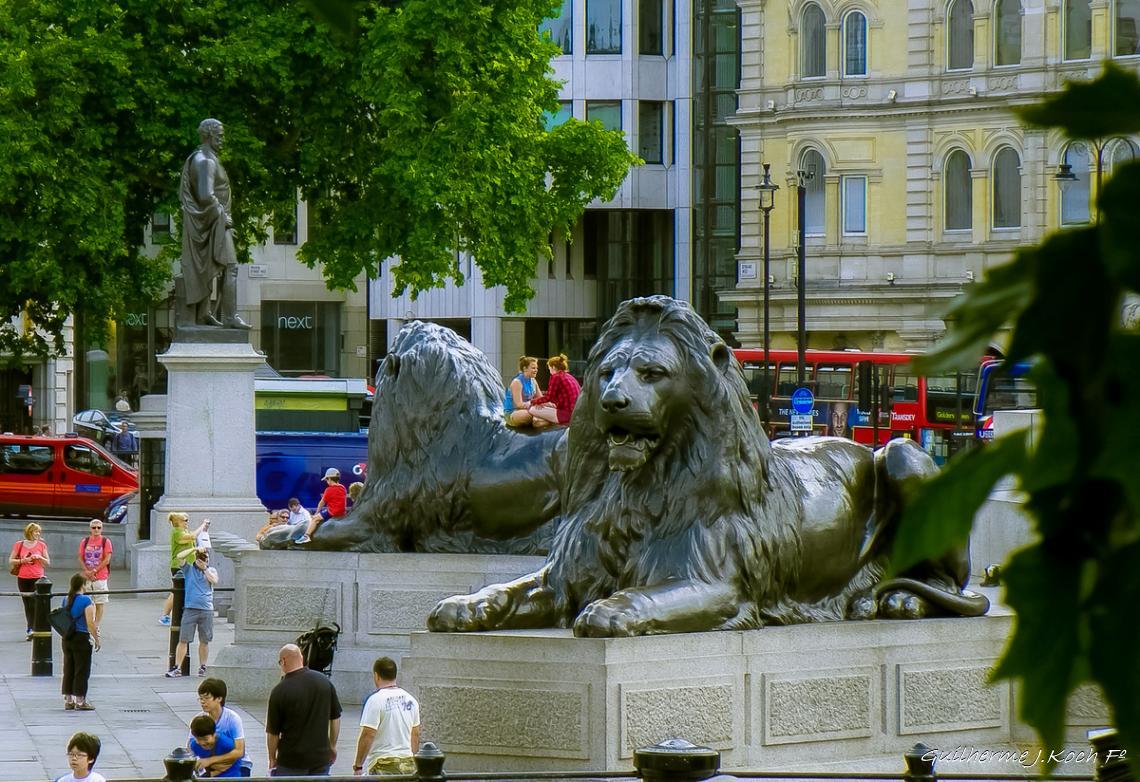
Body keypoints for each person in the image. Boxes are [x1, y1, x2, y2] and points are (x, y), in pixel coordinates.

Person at [180, 118, 250, 329]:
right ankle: (230, 317)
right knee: (231, 267)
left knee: (211, 268)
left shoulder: (202, 159)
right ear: (209, 136)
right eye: (219, 136)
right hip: (213, 221)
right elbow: (205, 195)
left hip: (212, 222)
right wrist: (222, 215)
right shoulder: (205, 161)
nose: (223, 140)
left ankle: (204, 313)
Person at [265, 643, 343, 776]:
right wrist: (332, 746)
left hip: (291, 761)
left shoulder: (279, 691)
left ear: (283, 661)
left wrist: (272, 758)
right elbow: (335, 717)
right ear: (301, 658)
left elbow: (273, 732)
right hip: (320, 759)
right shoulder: (324, 681)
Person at [352, 657, 421, 777]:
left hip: (382, 764)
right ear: (395, 675)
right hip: (408, 764)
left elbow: (368, 734)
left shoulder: (375, 700)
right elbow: (415, 734)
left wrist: (358, 765)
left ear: (376, 676)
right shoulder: (411, 700)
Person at [167, 547, 218, 678]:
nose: (203, 560)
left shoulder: (211, 570)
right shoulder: (189, 569)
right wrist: (195, 548)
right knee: (183, 639)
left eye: (205, 557)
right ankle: (177, 667)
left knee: (204, 640)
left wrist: (205, 568)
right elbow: (179, 556)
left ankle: (203, 666)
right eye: (201, 557)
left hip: (206, 609)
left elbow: (214, 580)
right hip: (190, 609)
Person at [195, 678, 250, 778]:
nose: (202, 702)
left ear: (219, 698)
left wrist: (211, 760)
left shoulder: (232, 719)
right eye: (201, 698)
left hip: (239, 764)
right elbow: (191, 746)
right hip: (210, 765)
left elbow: (239, 751)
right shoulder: (199, 719)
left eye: (207, 698)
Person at [161, 512, 209, 626]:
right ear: (178, 522)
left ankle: (178, 613)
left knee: (182, 589)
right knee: (176, 590)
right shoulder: (177, 532)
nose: (187, 522)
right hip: (179, 565)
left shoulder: (183, 531)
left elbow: (193, 538)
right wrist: (202, 525)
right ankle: (165, 615)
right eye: (185, 520)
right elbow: (192, 537)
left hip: (188, 565)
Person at [61, 573, 100, 711]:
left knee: (68, 668)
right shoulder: (86, 600)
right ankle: (80, 700)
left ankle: (68, 699)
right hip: (81, 638)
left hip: (67, 638)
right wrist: (96, 638)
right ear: (83, 585)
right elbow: (90, 622)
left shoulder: (66, 599)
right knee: (81, 669)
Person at [10, 522, 50, 640]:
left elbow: (48, 562)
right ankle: (30, 628)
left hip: (38, 578)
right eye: (35, 531)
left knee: (36, 603)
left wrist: (40, 557)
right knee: (27, 604)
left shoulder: (42, 545)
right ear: (29, 532)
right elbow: (11, 560)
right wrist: (24, 560)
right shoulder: (19, 545)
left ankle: (36, 627)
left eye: (39, 532)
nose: (38, 534)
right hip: (23, 578)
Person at [527, 354, 581, 427]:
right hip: (576, 414)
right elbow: (555, 396)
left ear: (554, 367)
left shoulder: (556, 377)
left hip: (566, 415)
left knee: (532, 409)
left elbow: (549, 397)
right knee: (545, 406)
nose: (550, 372)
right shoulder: (569, 376)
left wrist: (533, 401)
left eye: (549, 369)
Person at [296, 469, 347, 545]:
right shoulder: (343, 488)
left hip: (332, 512)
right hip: (342, 512)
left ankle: (306, 536)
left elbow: (322, 503)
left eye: (326, 479)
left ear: (329, 479)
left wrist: (317, 513)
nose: (326, 481)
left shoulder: (329, 489)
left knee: (315, 519)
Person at [78, 520, 113, 625]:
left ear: (102, 528)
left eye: (98, 527)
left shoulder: (106, 541)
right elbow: (80, 557)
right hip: (87, 577)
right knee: (88, 602)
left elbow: (107, 559)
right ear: (90, 529)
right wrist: (87, 571)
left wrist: (94, 571)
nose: (96, 529)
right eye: (94, 527)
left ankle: (96, 625)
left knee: (100, 602)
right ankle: (89, 623)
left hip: (101, 577)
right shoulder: (85, 541)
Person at [503, 356, 543, 427]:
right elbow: (519, 404)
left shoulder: (533, 381)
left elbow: (541, 398)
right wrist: (534, 404)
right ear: (525, 369)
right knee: (527, 416)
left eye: (537, 368)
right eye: (533, 368)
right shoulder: (517, 382)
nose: (536, 370)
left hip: (529, 409)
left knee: (547, 412)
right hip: (513, 412)